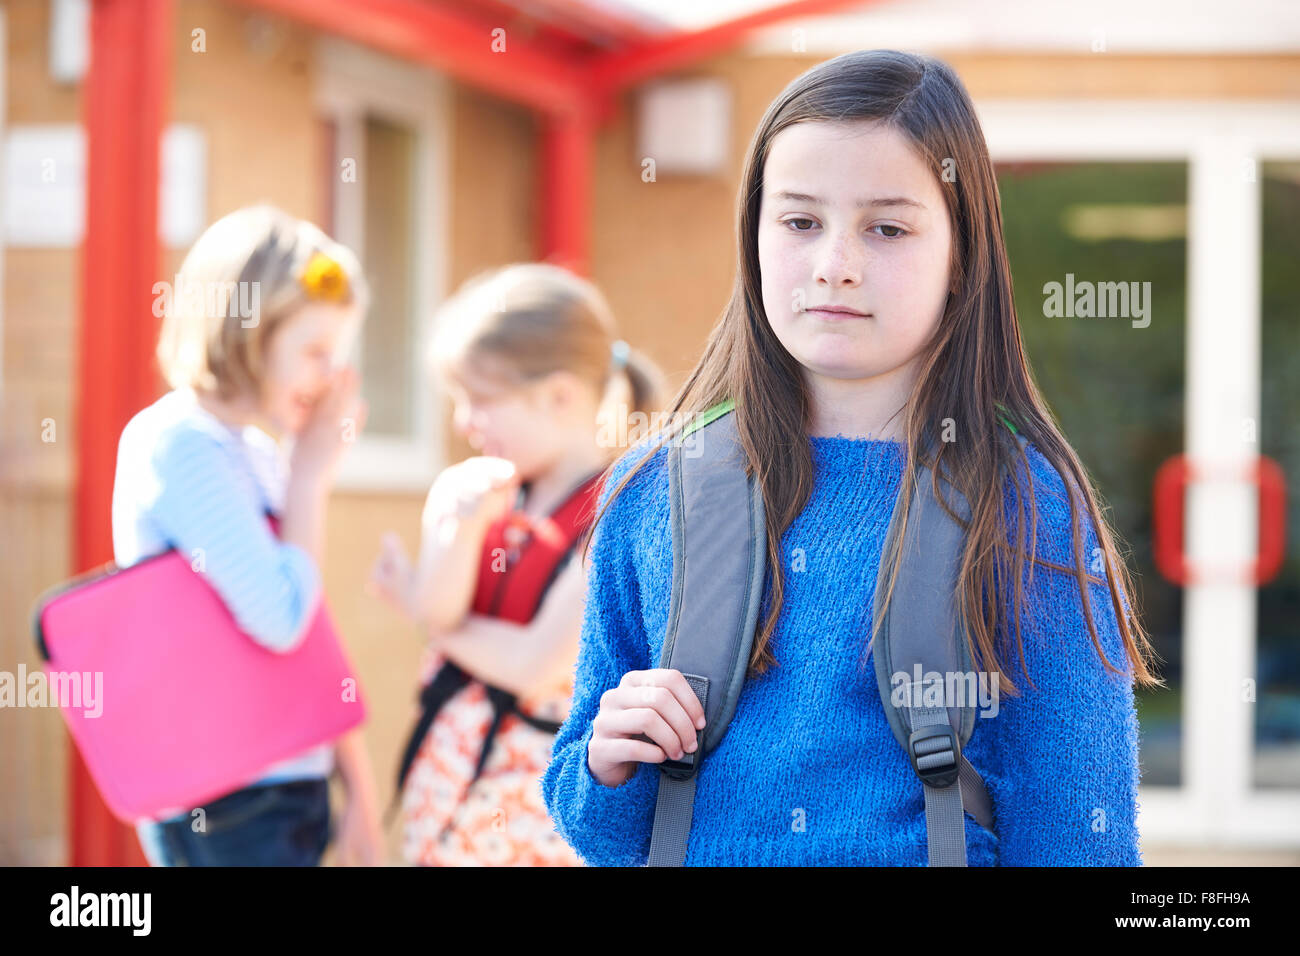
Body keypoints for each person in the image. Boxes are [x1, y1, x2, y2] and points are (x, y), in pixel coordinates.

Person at [541, 49, 1165, 867]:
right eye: (800, 221)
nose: (835, 261)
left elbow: (1082, 840)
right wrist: (604, 763)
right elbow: (599, 827)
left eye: (888, 227)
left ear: (961, 256)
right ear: (754, 237)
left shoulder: (1030, 508)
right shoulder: (653, 490)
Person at [113, 204, 384, 866]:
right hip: (231, 801)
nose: (331, 380)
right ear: (248, 331)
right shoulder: (179, 444)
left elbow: (310, 630)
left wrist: (359, 794)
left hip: (290, 784)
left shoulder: (257, 453)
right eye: (316, 352)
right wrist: (311, 476)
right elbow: (280, 618)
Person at [368, 263, 665, 866]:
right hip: (449, 798)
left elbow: (530, 664)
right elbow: (442, 604)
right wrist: (455, 526)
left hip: (529, 814)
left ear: (557, 396)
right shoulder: (488, 494)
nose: (461, 422)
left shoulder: (614, 516)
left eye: (478, 400)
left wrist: (430, 622)